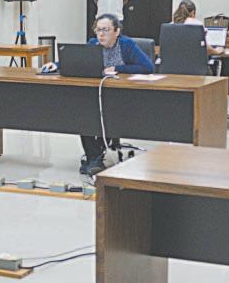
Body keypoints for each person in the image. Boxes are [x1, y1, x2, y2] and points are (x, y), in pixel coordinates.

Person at [40, 14, 154, 176]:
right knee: (83, 115)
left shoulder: (126, 45)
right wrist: (56, 64)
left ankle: (94, 158)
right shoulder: (93, 44)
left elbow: (147, 67)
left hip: (121, 97)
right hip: (95, 94)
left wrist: (118, 69)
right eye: (98, 30)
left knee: (102, 115)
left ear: (117, 31)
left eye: (105, 30)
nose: (101, 34)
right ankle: (94, 157)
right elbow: (78, 61)